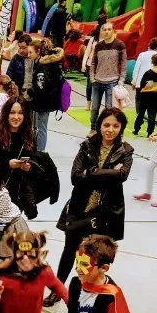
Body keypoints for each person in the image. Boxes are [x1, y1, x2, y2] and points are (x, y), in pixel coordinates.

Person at [50, 107, 133, 297]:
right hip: (81, 207)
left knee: (96, 255)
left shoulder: (125, 150)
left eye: (115, 126)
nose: (110, 130)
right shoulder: (87, 146)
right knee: (69, 250)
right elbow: (75, 177)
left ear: (121, 127)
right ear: (99, 125)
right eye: (106, 125)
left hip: (106, 212)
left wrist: (90, 172)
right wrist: (110, 173)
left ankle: (90, 291)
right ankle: (57, 290)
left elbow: (122, 175)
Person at [88, 23, 126, 134]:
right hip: (97, 81)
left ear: (113, 31)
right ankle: (93, 128)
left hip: (112, 82)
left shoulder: (120, 45)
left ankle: (108, 130)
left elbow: (124, 64)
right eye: (104, 30)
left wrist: (121, 80)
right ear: (101, 31)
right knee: (94, 108)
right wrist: (92, 78)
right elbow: (93, 63)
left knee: (109, 109)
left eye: (109, 29)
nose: (106, 32)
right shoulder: (98, 46)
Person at [30, 39, 65, 152]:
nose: (28, 54)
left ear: (38, 52)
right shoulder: (47, 64)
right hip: (46, 101)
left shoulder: (43, 66)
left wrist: (31, 92)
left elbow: (41, 86)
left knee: (41, 128)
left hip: (43, 103)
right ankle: (38, 149)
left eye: (31, 52)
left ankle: (40, 151)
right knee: (40, 128)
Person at [133, 53, 157, 137]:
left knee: (141, 113)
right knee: (152, 115)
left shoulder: (148, 73)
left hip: (145, 96)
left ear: (151, 61)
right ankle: (149, 132)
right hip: (155, 96)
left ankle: (136, 129)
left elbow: (142, 84)